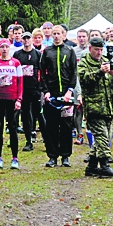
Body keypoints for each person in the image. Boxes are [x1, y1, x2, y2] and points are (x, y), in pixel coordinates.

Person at [79, 37, 113, 179]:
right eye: (96, 50)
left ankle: (92, 167)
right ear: (90, 49)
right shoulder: (84, 63)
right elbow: (85, 80)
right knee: (102, 137)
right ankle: (105, 165)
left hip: (108, 106)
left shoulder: (107, 59)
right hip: (94, 107)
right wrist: (100, 72)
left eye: (100, 50)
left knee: (103, 138)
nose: (99, 53)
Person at [40, 25, 77, 167]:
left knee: (67, 126)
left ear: (63, 35)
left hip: (66, 95)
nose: (56, 36)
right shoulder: (47, 52)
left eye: (58, 33)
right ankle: (52, 156)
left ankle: (66, 156)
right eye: (54, 33)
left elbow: (74, 72)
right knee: (52, 127)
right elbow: (42, 73)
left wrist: (70, 91)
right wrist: (46, 91)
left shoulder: (69, 51)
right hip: (51, 94)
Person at [0, 38, 22, 170]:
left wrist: (19, 99)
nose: (5, 49)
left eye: (7, 47)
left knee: (13, 128)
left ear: (10, 48)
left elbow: (20, 83)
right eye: (2, 47)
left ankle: (14, 158)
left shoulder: (16, 63)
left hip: (12, 100)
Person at [13, 31, 43, 151]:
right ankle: (28, 140)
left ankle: (46, 140)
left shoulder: (38, 54)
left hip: (35, 89)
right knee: (26, 115)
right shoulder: (17, 54)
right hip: (22, 90)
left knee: (39, 114)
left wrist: (41, 87)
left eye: (28, 38)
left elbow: (42, 71)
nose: (26, 41)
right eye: (24, 39)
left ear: (31, 40)